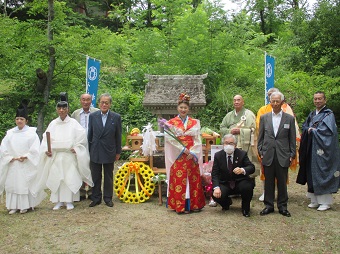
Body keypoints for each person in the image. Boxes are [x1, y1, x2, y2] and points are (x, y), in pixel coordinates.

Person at [31, 93, 93, 210]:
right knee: (57, 176)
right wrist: (47, 150)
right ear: (57, 110)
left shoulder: (73, 123)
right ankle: (58, 201)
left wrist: (76, 147)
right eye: (59, 108)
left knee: (69, 177)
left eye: (64, 108)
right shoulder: (53, 123)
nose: (61, 110)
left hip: (68, 155)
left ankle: (69, 200)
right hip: (56, 155)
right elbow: (46, 139)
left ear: (68, 109)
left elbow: (82, 136)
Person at [297, 91, 340, 211]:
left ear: (325, 100)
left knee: (322, 172)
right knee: (311, 171)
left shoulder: (328, 114)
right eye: (315, 99)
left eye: (320, 99)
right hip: (311, 148)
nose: (317, 101)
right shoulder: (312, 114)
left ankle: (325, 202)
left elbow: (328, 132)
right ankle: (314, 199)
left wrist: (313, 131)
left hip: (322, 150)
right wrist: (308, 129)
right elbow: (305, 126)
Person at [0, 102, 46, 215]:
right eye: (17, 119)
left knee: (24, 184)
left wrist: (26, 156)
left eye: (21, 119)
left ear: (26, 120)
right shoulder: (10, 133)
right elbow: (3, 147)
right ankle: (13, 206)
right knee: (12, 184)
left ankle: (25, 205)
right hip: (13, 162)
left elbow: (35, 149)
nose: (19, 121)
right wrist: (9, 157)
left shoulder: (31, 134)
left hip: (25, 162)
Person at [256, 88, 301, 201]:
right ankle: (268, 205)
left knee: (282, 182)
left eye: (277, 101)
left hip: (283, 154)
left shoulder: (289, 118)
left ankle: (282, 206)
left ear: (282, 102)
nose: (275, 103)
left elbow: (291, 138)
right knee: (268, 181)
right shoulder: (264, 117)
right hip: (268, 154)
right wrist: (261, 151)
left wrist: (292, 154)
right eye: (273, 101)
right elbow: (260, 136)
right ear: (270, 102)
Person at [164, 92, 206, 214]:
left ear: (188, 109)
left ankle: (193, 205)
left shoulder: (194, 122)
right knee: (179, 178)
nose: (183, 109)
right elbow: (170, 139)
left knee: (192, 178)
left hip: (191, 154)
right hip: (178, 154)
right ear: (177, 108)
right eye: (181, 107)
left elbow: (198, 139)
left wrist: (192, 151)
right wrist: (182, 149)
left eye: (185, 108)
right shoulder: (171, 122)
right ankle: (179, 205)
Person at [88, 93, 122, 208]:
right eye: (102, 102)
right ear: (98, 103)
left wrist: (118, 152)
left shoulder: (116, 117)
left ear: (110, 104)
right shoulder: (93, 116)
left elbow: (118, 136)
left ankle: (108, 198)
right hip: (95, 149)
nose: (104, 104)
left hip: (109, 150)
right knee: (95, 175)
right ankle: (96, 198)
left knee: (108, 176)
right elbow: (90, 134)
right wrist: (88, 150)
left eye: (106, 102)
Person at [211, 134, 255, 217]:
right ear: (223, 144)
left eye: (231, 143)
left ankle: (245, 208)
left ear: (235, 145)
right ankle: (226, 203)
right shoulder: (218, 155)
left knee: (247, 187)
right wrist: (216, 187)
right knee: (215, 194)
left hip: (240, 181)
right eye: (226, 143)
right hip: (225, 183)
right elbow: (215, 173)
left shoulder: (242, 154)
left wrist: (242, 170)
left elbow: (251, 167)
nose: (228, 145)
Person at [71, 93, 99, 201]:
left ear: (91, 100)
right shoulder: (76, 113)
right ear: (80, 101)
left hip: (93, 143)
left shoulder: (96, 112)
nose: (85, 102)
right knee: (80, 167)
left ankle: (92, 191)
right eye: (83, 100)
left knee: (93, 167)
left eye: (88, 100)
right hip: (80, 144)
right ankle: (81, 192)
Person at [220, 95, 257, 167]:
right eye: (234, 100)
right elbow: (222, 127)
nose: (236, 102)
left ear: (243, 102)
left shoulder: (249, 114)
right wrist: (230, 131)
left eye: (238, 100)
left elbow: (253, 129)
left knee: (242, 165)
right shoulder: (229, 115)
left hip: (243, 146)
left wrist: (241, 131)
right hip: (231, 145)